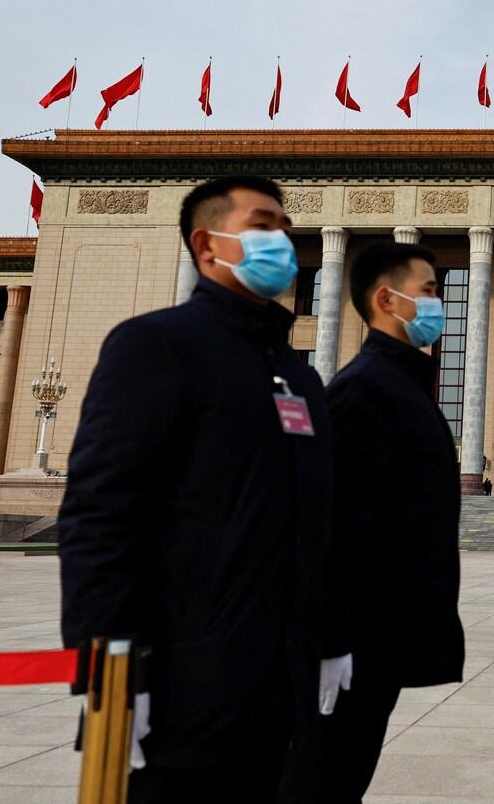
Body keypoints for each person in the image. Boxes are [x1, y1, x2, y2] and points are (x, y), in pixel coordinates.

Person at [59, 176, 336, 803]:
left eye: (286, 229)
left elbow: (315, 528)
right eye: (265, 225)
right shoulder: (156, 346)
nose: (284, 243)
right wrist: (115, 675)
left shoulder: (298, 376)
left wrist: (330, 640)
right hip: (185, 687)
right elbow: (102, 518)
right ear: (209, 245)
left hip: (278, 694)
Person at [318, 242, 464, 804]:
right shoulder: (363, 390)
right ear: (387, 299)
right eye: (428, 292)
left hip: (381, 643)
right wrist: (327, 645)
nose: (438, 304)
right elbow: (331, 525)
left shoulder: (401, 384)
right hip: (354, 648)